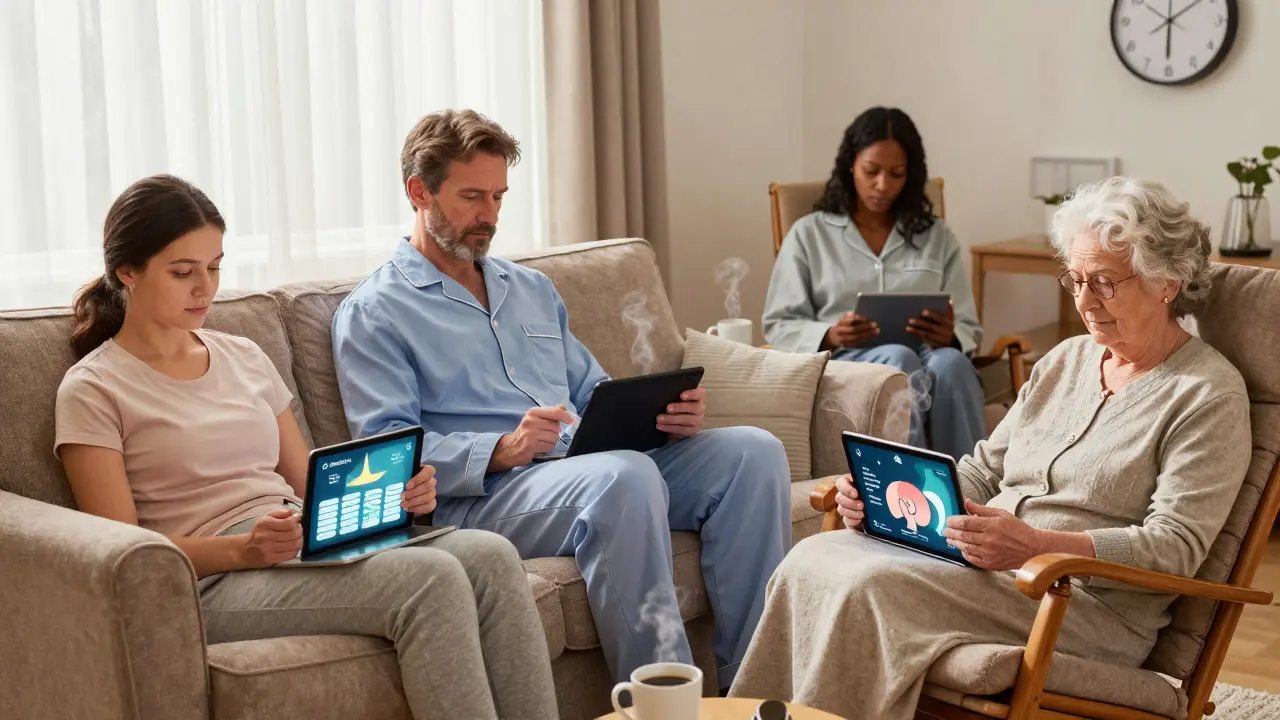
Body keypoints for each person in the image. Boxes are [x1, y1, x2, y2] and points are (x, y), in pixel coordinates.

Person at [731, 176, 1252, 719]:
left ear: (1166, 282)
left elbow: (1174, 547)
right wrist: (888, 497)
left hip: (1080, 605)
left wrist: (1033, 544)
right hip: (985, 569)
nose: (1082, 301)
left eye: (1103, 282)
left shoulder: (1207, 394)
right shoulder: (1065, 361)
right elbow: (982, 472)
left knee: (871, 585)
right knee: (813, 556)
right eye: (1074, 279)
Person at [53, 174, 558, 720]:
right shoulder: (94, 389)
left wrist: (398, 500)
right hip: (213, 577)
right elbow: (124, 556)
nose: (206, 288)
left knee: (491, 556)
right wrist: (243, 550)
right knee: (429, 582)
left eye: (215, 266)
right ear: (127, 271)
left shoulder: (243, 355)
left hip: (296, 540)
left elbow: (308, 485)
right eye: (183, 272)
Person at [330, 109, 793, 692]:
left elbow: (592, 394)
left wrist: (661, 417)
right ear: (418, 191)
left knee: (752, 453)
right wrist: (502, 448)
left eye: (498, 196)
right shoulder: (376, 312)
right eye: (472, 196)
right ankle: (668, 707)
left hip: (586, 467)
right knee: (621, 478)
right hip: (487, 498)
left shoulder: (529, 289)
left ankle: (755, 692)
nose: (490, 216)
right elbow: (385, 452)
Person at [762, 106, 984, 460]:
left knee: (952, 364)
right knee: (897, 359)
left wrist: (952, 336)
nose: (883, 185)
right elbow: (779, 323)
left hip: (929, 356)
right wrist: (830, 334)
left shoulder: (936, 237)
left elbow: (969, 325)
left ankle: (973, 494)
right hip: (845, 363)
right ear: (851, 164)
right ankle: (910, 494)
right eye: (872, 171)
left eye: (896, 174)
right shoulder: (809, 234)